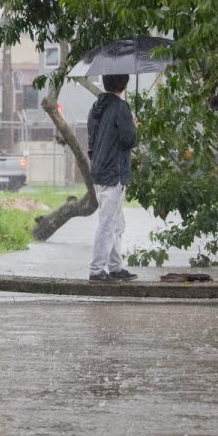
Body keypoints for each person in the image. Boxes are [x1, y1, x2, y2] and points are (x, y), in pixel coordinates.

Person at [87, 73, 138, 281]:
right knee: (108, 223)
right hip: (114, 172)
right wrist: (134, 127)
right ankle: (97, 270)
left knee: (116, 222)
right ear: (124, 84)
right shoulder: (121, 108)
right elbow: (128, 141)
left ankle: (115, 267)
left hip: (99, 170)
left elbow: (91, 141)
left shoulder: (95, 107)